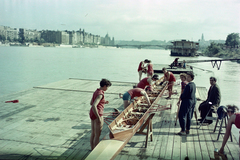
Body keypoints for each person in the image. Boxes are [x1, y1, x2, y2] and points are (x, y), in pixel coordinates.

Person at [89, 79, 112, 150]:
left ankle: (92, 149)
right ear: (104, 86)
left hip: (92, 113)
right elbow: (93, 105)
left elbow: (91, 103)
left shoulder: (96, 91)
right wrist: (98, 117)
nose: (107, 89)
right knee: (97, 135)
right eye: (107, 87)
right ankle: (96, 151)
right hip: (97, 113)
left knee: (93, 133)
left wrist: (103, 102)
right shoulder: (101, 94)